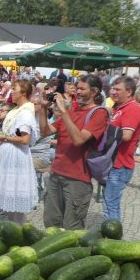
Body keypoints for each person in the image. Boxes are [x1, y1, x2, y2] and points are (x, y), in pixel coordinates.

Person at [36, 74, 108, 230]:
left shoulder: (99, 113)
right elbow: (45, 131)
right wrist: (43, 107)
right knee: (51, 223)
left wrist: (64, 112)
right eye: (77, 88)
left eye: (82, 89)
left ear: (94, 91)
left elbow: (79, 140)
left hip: (78, 179)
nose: (77, 92)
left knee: (72, 228)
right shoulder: (73, 109)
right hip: (56, 174)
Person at [0, 80, 39, 223]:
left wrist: (4, 137)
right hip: (8, 157)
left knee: (15, 196)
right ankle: (11, 225)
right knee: (10, 199)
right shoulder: (16, 110)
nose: (11, 91)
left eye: (14, 88)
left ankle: (17, 227)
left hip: (16, 157)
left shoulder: (25, 112)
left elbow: (25, 139)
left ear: (23, 92)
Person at [102, 77, 140, 222]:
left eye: (117, 89)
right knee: (109, 202)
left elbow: (126, 135)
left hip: (120, 166)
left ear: (129, 91)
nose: (113, 92)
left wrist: (103, 130)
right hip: (113, 164)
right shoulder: (119, 107)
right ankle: (111, 232)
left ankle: (112, 234)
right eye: (112, 88)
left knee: (110, 204)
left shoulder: (132, 108)